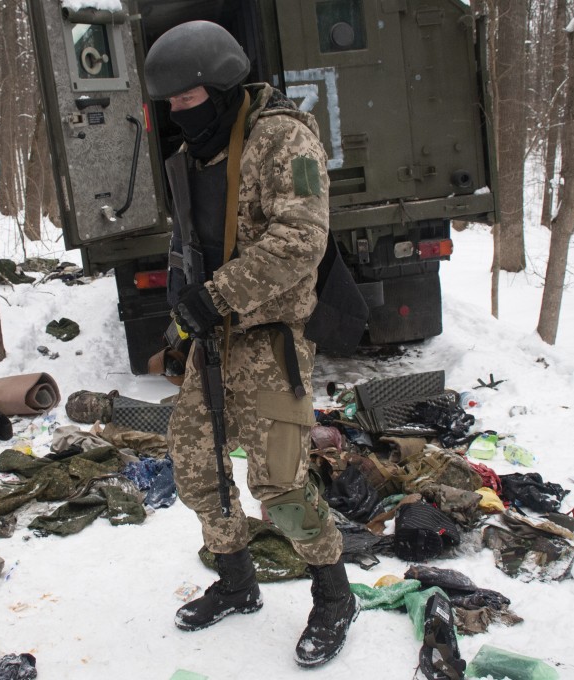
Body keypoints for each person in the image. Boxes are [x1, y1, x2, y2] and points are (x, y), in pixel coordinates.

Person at [143, 20, 357, 669]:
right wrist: (187, 306)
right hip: (215, 340)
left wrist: (215, 296)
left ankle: (333, 595)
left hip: (270, 339)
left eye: (187, 99)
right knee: (196, 465)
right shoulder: (199, 153)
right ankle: (237, 582)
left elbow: (300, 241)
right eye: (172, 103)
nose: (180, 113)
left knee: (281, 485)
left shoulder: (285, 138)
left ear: (221, 84)